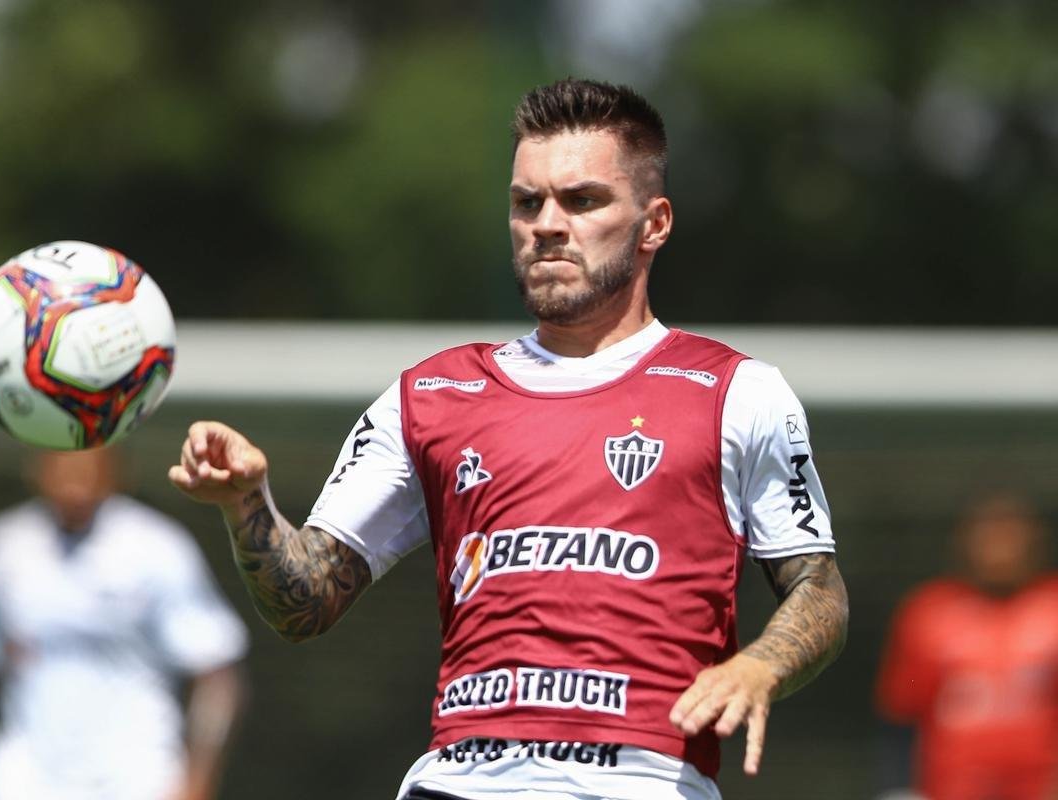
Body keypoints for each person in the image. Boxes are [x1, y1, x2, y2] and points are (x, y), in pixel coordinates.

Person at [168, 77, 849, 799]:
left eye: (581, 201)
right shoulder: (428, 395)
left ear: (654, 224)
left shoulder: (736, 392)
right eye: (527, 203)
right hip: (459, 781)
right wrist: (246, 503)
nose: (546, 224)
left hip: (641, 782)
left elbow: (819, 589)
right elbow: (303, 601)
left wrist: (760, 664)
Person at [0, 447, 249, 800]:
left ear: (114, 469)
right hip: (23, 783)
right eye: (63, 459)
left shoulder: (158, 548)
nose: (74, 476)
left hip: (137, 782)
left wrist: (197, 783)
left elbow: (217, 674)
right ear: (38, 467)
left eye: (87, 460)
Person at [875, 492, 1058, 800]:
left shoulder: (1051, 605)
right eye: (989, 535)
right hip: (951, 787)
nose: (1000, 548)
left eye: (1011, 534)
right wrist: (899, 789)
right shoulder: (928, 612)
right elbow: (902, 715)